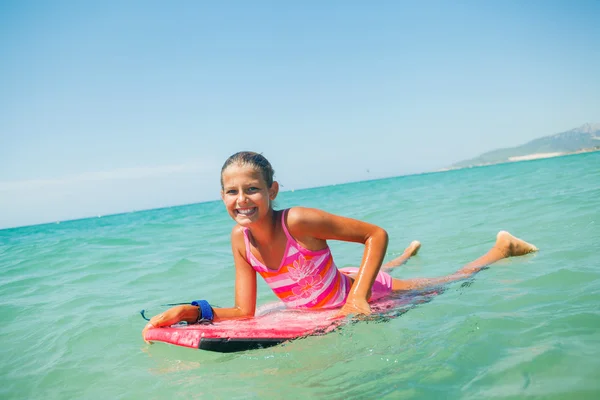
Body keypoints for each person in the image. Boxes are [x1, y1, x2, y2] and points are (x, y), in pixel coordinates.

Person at [142, 151, 538, 342]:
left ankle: (500, 249)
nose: (242, 200)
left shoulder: (295, 220)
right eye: (232, 192)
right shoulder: (239, 240)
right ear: (221, 196)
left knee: (445, 284)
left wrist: (357, 300)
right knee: (397, 268)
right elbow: (244, 311)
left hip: (362, 291)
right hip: (334, 284)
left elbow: (375, 234)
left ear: (271, 191)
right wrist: (193, 311)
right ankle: (404, 258)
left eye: (252, 189)